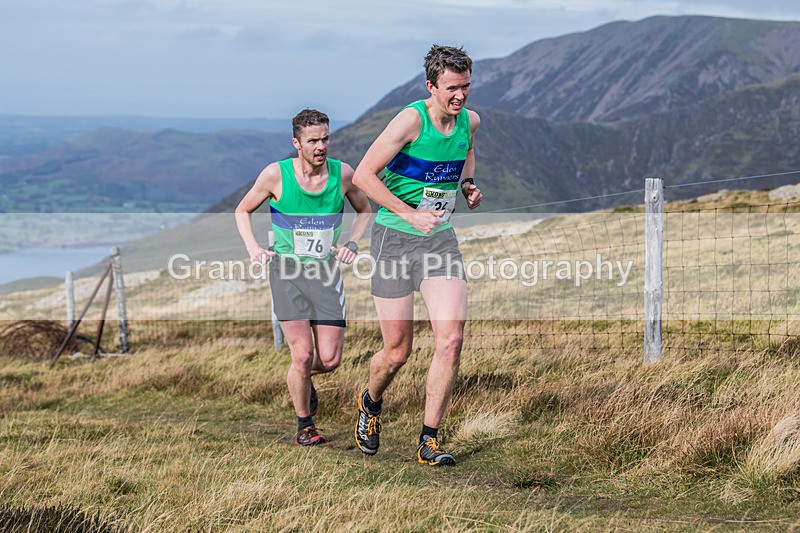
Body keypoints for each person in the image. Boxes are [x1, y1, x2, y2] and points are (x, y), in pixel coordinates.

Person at [352, 45, 482, 465]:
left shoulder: (471, 121)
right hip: (394, 239)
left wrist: (468, 186)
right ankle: (371, 402)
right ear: (431, 86)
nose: (459, 97)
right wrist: (410, 213)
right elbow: (363, 176)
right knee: (397, 352)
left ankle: (429, 440)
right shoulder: (411, 120)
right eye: (450, 89)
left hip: (439, 240)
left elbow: (466, 152)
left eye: (465, 86)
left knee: (451, 338)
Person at [236, 109, 371, 446]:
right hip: (286, 272)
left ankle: (301, 382)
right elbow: (242, 210)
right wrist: (254, 248)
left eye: (325, 138)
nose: (321, 146)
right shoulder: (276, 175)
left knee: (329, 359)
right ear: (296, 143)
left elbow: (366, 209)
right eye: (313, 140)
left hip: (325, 274)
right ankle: (304, 425)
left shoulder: (343, 175)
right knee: (302, 355)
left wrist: (352, 243)